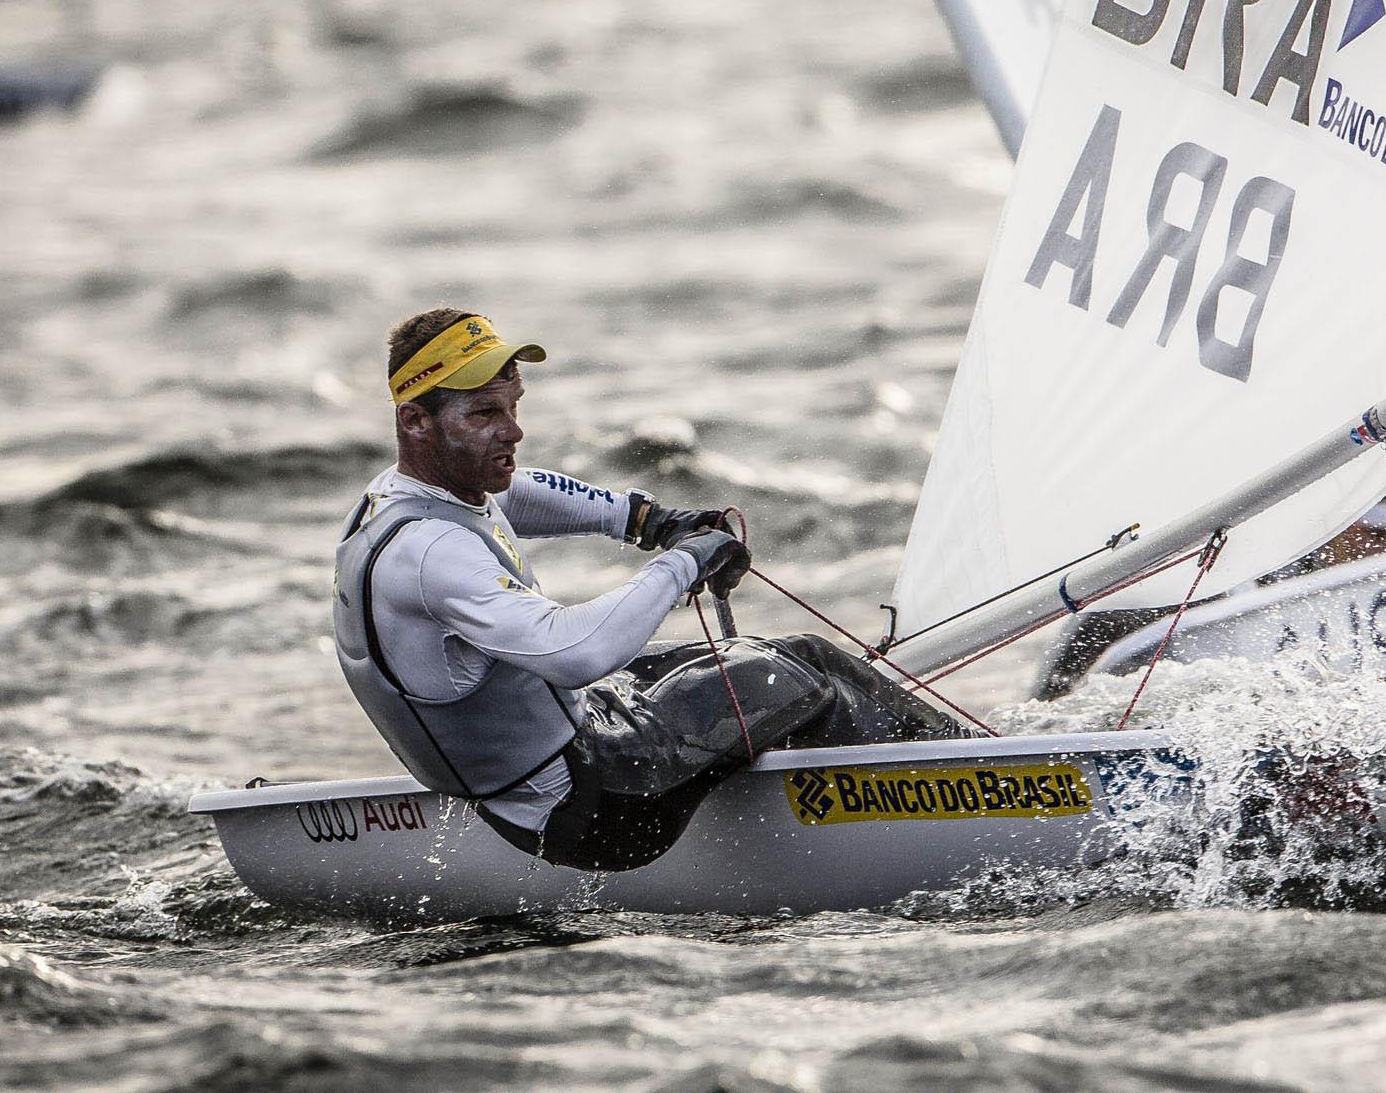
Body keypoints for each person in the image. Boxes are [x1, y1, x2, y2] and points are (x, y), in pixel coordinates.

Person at [333, 307, 964, 871]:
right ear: (416, 421)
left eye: (514, 407)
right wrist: (683, 563)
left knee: (802, 649)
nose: (514, 432)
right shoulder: (431, 555)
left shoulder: (405, 499)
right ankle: (967, 793)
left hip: (559, 758)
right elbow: (573, 652)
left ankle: (950, 760)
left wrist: (648, 522)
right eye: (485, 415)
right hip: (595, 808)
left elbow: (522, 494)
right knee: (798, 679)